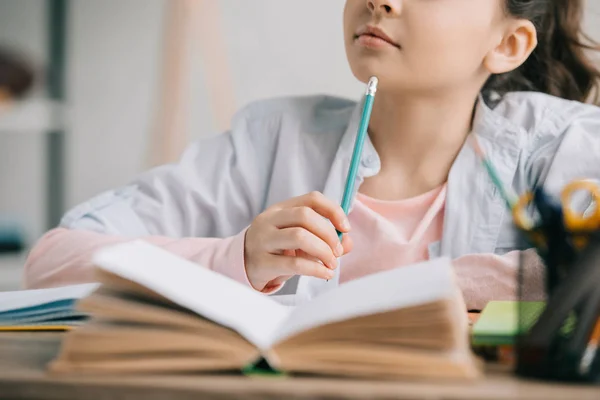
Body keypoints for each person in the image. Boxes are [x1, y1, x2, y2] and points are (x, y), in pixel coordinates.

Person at [24, 0, 600, 310]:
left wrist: (432, 287)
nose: (380, 1)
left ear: (508, 44)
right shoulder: (270, 138)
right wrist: (238, 259)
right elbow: (53, 259)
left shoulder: (559, 144)